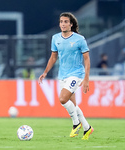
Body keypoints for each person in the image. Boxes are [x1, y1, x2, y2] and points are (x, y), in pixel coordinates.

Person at [38, 12, 93, 140]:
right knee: (73, 105)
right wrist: (45, 72)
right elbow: (53, 56)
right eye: (61, 21)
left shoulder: (80, 39)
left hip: (76, 74)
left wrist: (86, 79)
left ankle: (76, 124)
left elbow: (87, 59)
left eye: (66, 22)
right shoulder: (55, 38)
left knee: (62, 99)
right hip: (62, 75)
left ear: (71, 24)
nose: (63, 24)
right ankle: (87, 128)